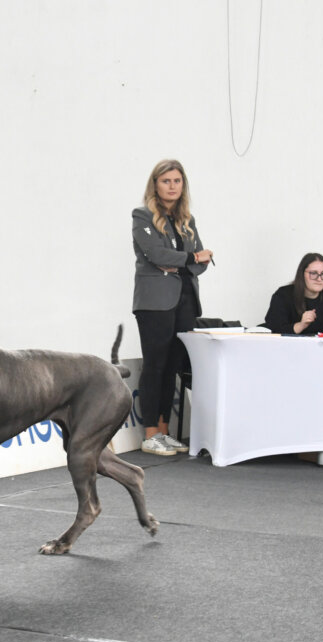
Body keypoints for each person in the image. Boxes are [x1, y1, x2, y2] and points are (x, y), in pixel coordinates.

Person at [132, 159, 213, 457]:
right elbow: (155, 253)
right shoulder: (141, 215)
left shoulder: (187, 220)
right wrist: (190, 259)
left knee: (173, 367)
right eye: (166, 181)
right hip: (154, 303)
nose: (172, 186)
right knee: (155, 365)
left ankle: (164, 431)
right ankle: (150, 432)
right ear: (155, 184)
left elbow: (199, 261)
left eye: (177, 181)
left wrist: (181, 262)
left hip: (184, 299)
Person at [263, 253, 323, 335]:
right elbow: (273, 329)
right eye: (313, 273)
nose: (319, 279)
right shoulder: (283, 295)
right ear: (302, 274)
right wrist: (301, 325)